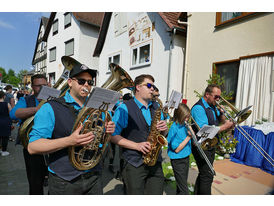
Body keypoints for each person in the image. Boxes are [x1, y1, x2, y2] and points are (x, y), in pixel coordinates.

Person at [27, 56, 115, 195]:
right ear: (70, 82)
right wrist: (69, 141)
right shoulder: (50, 107)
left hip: (94, 175)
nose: (86, 85)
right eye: (81, 81)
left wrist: (106, 132)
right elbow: (33, 147)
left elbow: (100, 140)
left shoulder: (98, 109)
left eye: (89, 82)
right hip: (64, 180)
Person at [111, 74, 168, 195]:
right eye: (148, 85)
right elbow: (113, 136)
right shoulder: (124, 108)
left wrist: (164, 129)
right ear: (137, 87)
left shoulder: (156, 107)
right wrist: (137, 146)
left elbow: (163, 134)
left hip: (155, 162)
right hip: (134, 164)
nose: (152, 89)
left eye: (153, 86)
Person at [191, 84, 234, 195]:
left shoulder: (213, 106)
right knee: (207, 175)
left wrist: (223, 113)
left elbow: (221, 121)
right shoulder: (198, 108)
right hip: (201, 145)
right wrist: (224, 127)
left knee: (204, 174)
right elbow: (204, 130)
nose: (218, 99)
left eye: (219, 97)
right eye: (216, 97)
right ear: (207, 95)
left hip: (210, 144)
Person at [9, 74, 48, 195]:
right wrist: (37, 109)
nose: (42, 89)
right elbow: (13, 114)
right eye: (38, 86)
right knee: (35, 183)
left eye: (45, 85)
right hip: (32, 147)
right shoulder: (25, 100)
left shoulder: (54, 100)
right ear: (32, 86)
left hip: (52, 146)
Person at [167, 103, 192, 195]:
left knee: (181, 185)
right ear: (180, 116)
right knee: (184, 190)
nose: (187, 119)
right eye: (186, 117)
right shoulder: (174, 128)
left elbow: (194, 138)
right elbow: (176, 149)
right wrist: (188, 137)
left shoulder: (184, 125)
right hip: (178, 160)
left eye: (188, 117)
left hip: (185, 157)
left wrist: (191, 130)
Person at [0, 91, 12, 156]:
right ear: (4, 96)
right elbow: (11, 113)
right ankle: (4, 151)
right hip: (5, 122)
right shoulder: (7, 104)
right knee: (5, 137)